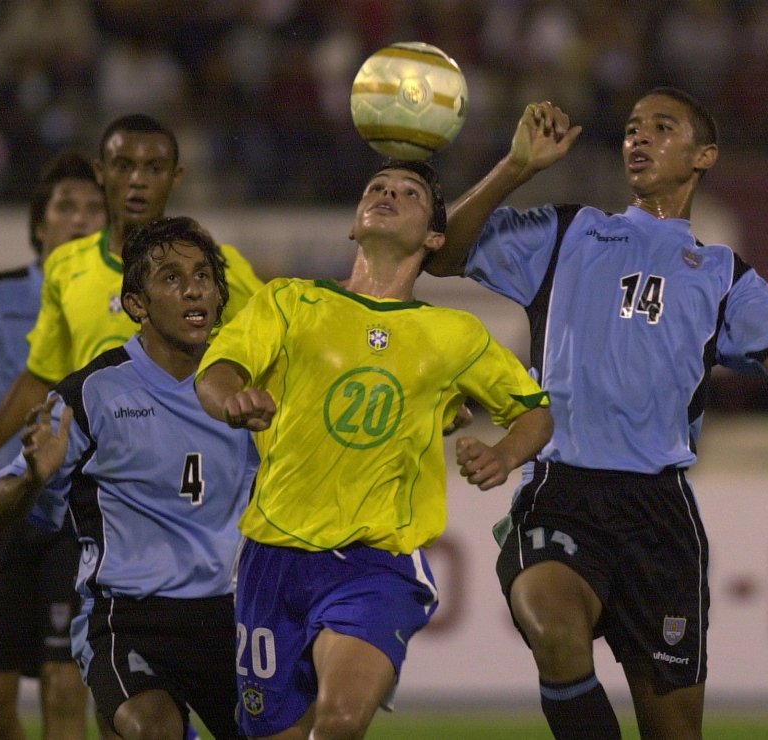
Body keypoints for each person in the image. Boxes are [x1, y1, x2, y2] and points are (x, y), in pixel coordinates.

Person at [424, 88, 768, 739]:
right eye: (632, 127)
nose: (638, 138)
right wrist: (515, 167)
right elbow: (442, 253)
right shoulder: (569, 231)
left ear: (703, 156)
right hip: (561, 488)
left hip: (659, 515)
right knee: (553, 629)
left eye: (662, 128)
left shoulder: (722, 275)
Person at [194, 159, 553, 740]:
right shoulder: (289, 301)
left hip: (373, 561)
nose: (388, 194)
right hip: (271, 556)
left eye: (409, 193)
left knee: (339, 720)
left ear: (435, 237)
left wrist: (505, 453)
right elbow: (218, 370)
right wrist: (231, 397)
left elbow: (535, 412)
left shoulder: (453, 335)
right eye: (377, 188)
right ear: (354, 224)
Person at [0, 216, 261, 739]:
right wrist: (34, 476)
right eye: (170, 277)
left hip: (232, 619)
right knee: (153, 730)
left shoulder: (248, 390)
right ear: (137, 305)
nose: (193, 288)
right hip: (128, 621)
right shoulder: (90, 395)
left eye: (204, 275)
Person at [0, 113, 263, 522]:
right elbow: (41, 376)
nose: (138, 180)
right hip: (85, 482)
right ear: (101, 172)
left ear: (175, 177)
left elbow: (272, 347)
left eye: (153, 168)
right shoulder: (67, 267)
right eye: (124, 165)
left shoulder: (219, 270)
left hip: (178, 492)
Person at [0, 150, 106, 739]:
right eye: (66, 207)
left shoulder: (117, 294)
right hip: (6, 506)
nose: (80, 219)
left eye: (94, 208)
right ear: (40, 223)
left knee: (66, 688)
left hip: (77, 513)